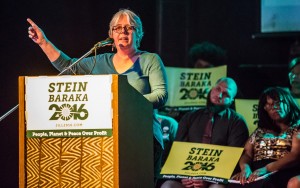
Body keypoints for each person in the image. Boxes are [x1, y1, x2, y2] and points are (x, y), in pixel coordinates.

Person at [27, 8, 168, 185]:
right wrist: (43, 42)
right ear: (111, 34)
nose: (123, 31)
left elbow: (161, 95)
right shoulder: (99, 61)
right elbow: (68, 66)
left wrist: (124, 102)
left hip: (142, 139)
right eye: (118, 28)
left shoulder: (150, 60)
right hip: (103, 142)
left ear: (139, 33)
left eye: (130, 27)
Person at [161, 77, 249, 188]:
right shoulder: (189, 117)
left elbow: (232, 158)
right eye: (217, 89)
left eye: (226, 94)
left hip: (217, 181)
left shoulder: (237, 121)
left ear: (231, 100)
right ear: (211, 89)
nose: (219, 95)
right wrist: (183, 177)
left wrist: (208, 179)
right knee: (168, 185)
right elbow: (178, 151)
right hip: (187, 178)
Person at [228, 87, 300, 188]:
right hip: (257, 172)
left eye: (277, 102)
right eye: (268, 105)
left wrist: (267, 168)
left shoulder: (297, 127)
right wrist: (245, 168)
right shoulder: (260, 130)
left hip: (283, 170)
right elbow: (247, 154)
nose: (273, 107)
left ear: (288, 102)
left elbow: (295, 155)